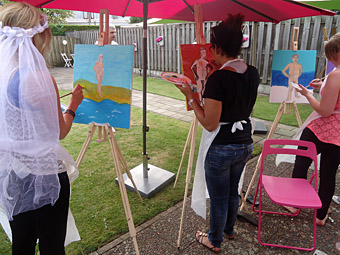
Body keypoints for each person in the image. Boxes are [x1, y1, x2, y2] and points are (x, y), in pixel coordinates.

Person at [0, 2, 84, 255]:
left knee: (22, 243)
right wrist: (72, 105)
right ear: (38, 36)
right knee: (51, 245)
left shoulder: (4, 72)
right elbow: (60, 132)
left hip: (14, 173)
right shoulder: (37, 77)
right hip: (45, 176)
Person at [176, 13, 259, 253]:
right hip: (244, 142)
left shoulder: (218, 78)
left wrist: (191, 98)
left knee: (220, 198)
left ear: (217, 47)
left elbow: (209, 123)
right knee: (233, 191)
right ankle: (229, 229)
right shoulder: (251, 72)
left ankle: (214, 239)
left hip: (221, 146)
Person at [284, 32, 340, 226]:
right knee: (328, 174)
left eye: (332, 55)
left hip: (321, 129)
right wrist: (323, 84)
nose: (330, 59)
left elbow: (325, 110)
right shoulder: (332, 77)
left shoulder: (336, 75)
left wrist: (308, 94)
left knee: (301, 165)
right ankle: (320, 215)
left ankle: (294, 204)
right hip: (339, 135)